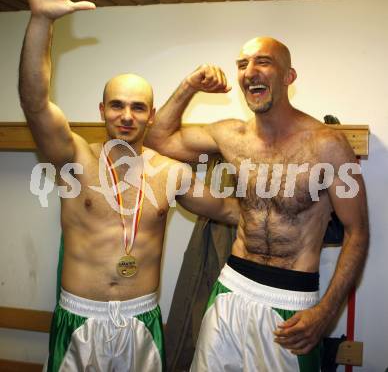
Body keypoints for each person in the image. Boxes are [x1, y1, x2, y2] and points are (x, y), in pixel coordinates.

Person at [18, 0, 240, 371]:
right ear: (102, 109)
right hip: (80, 320)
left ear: (151, 116)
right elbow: (35, 103)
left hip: (142, 320)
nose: (127, 116)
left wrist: (298, 207)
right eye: (117, 105)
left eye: (139, 108)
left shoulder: (171, 174)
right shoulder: (75, 160)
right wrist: (41, 22)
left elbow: (229, 210)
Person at [145, 37, 369, 371]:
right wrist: (189, 84)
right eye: (242, 64)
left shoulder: (328, 146)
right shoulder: (231, 136)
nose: (250, 72)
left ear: (288, 77)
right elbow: (156, 139)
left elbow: (357, 233)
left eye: (263, 62)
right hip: (231, 289)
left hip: (290, 304)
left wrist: (325, 313)